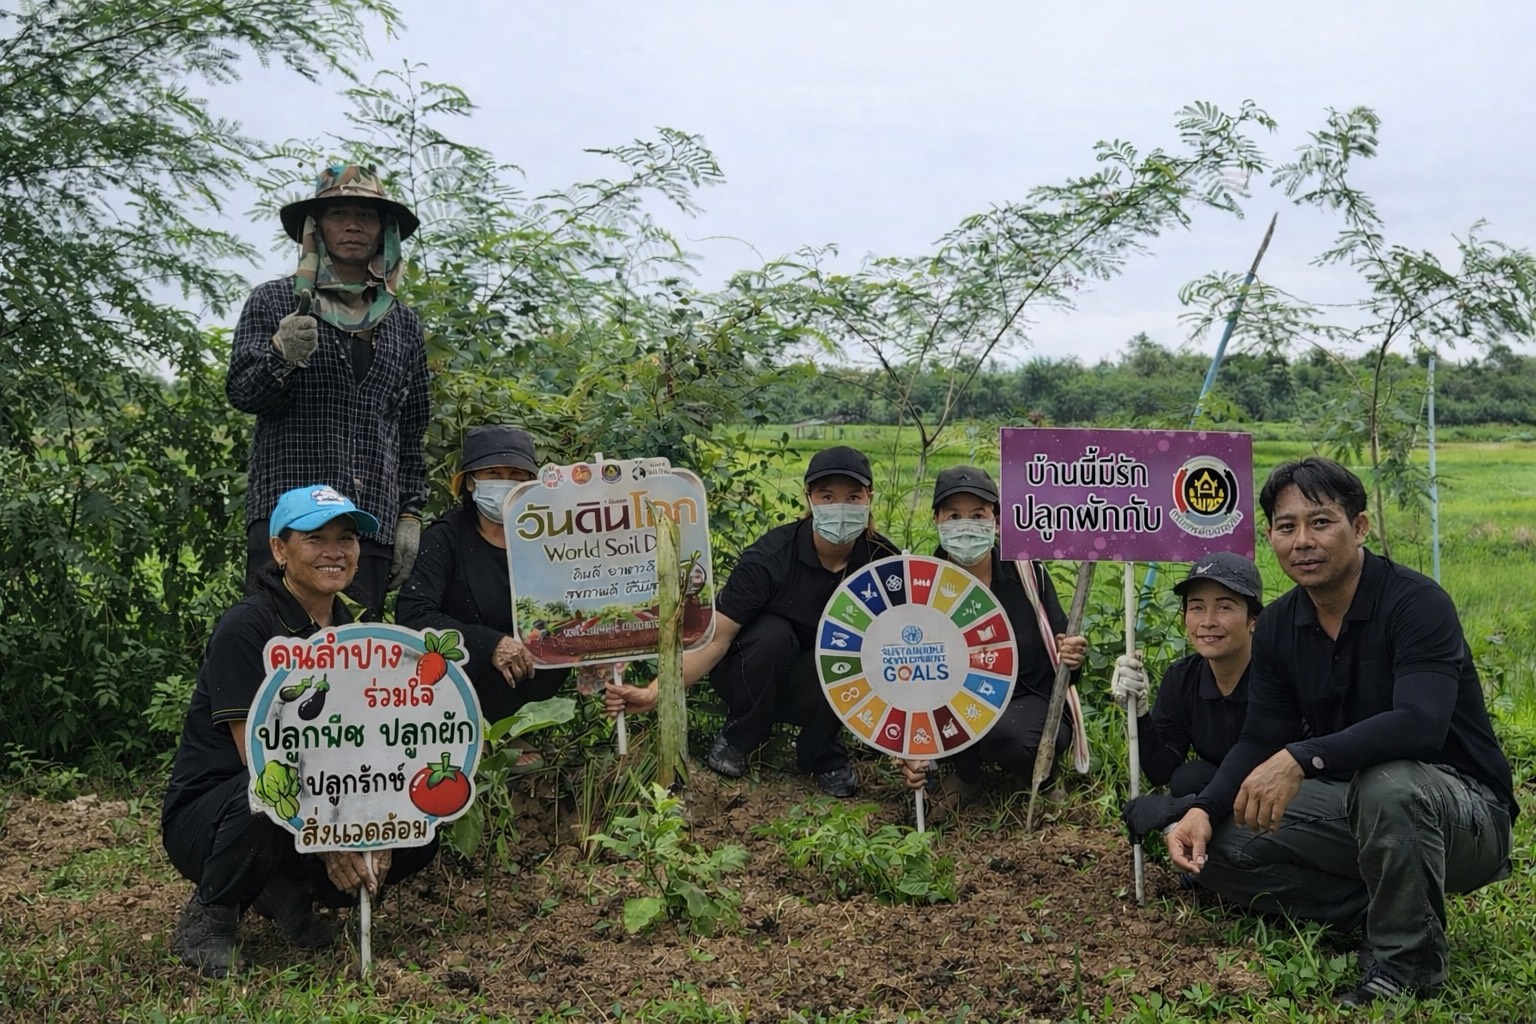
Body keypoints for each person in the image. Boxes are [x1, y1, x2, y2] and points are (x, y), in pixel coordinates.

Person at [1163, 457, 1516, 1008]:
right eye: (1286, 527)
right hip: (1357, 805)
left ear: (1360, 527)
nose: (1302, 541)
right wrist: (1204, 809)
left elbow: (1421, 726)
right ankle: (1385, 907)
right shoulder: (1280, 624)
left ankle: (1407, 966)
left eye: (1321, 522)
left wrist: (1301, 759)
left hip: (1465, 814)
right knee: (1227, 842)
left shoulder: (1415, 603)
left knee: (1390, 784)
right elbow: (1259, 740)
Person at [161, 485, 439, 978]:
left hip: (305, 804)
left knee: (421, 823)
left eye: (347, 538)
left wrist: (381, 820)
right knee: (273, 789)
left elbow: (369, 746)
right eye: (315, 538)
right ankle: (210, 916)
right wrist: (332, 834)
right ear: (279, 550)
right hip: (215, 815)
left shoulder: (355, 632)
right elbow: (258, 755)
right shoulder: (247, 626)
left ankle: (291, 898)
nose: (335, 551)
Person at [605, 445, 899, 797]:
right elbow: (716, 639)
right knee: (774, 634)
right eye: (827, 495)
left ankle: (822, 753)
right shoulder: (770, 557)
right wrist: (654, 692)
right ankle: (740, 734)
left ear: (869, 498)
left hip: (825, 683)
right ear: (809, 499)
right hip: (751, 671)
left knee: (843, 654)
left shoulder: (885, 562)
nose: (841, 507)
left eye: (853, 497)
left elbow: (900, 645)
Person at [227, 164, 431, 618]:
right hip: (290, 522)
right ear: (316, 227)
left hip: (366, 525)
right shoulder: (275, 301)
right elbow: (243, 392)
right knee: (281, 657)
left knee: (357, 662)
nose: (354, 225)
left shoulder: (402, 323)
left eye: (367, 215)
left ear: (385, 231)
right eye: (338, 213)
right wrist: (281, 355)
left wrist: (409, 516)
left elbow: (410, 429)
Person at [898, 466, 1088, 816]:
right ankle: (967, 775)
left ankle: (1039, 776)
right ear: (936, 519)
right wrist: (909, 742)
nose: (966, 524)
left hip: (1027, 697)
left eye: (978, 515)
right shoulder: (921, 584)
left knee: (1009, 737)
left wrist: (1072, 655)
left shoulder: (1027, 574)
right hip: (954, 700)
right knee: (962, 718)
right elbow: (904, 667)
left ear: (996, 520)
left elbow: (1065, 661)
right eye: (954, 515)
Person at [397, 425, 568, 759]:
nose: (506, 481)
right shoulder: (444, 539)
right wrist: (488, 644)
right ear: (471, 481)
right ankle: (469, 737)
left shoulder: (545, 537)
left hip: (530, 679)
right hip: (457, 685)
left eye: (517, 474)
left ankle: (512, 733)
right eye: (494, 472)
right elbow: (413, 615)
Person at [1112, 552, 1264, 842]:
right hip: (1224, 792)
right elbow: (1161, 769)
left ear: (1253, 619)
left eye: (1224, 607)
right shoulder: (1183, 678)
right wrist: (1139, 712)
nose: (1207, 621)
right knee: (1188, 778)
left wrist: (1178, 808)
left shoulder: (1274, 675)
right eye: (1196, 607)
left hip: (1279, 793)